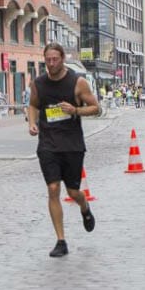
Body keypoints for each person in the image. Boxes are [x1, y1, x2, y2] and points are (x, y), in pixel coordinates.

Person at [28, 42, 99, 258]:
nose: (51, 64)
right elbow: (33, 105)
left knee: (73, 192)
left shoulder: (77, 82)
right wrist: (32, 123)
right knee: (53, 189)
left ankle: (84, 207)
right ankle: (61, 241)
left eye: (55, 59)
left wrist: (75, 110)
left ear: (62, 59)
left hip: (72, 145)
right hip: (48, 144)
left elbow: (96, 108)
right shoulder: (39, 83)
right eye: (47, 60)